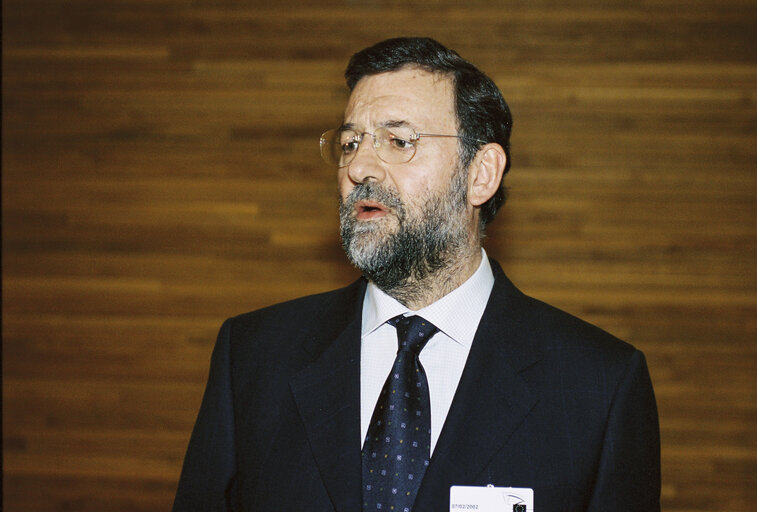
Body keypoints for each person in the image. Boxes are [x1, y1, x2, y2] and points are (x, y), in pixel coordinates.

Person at [172, 37, 660, 512]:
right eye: (350, 142)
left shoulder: (599, 385)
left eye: (399, 140)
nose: (360, 166)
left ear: (481, 174)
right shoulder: (254, 356)